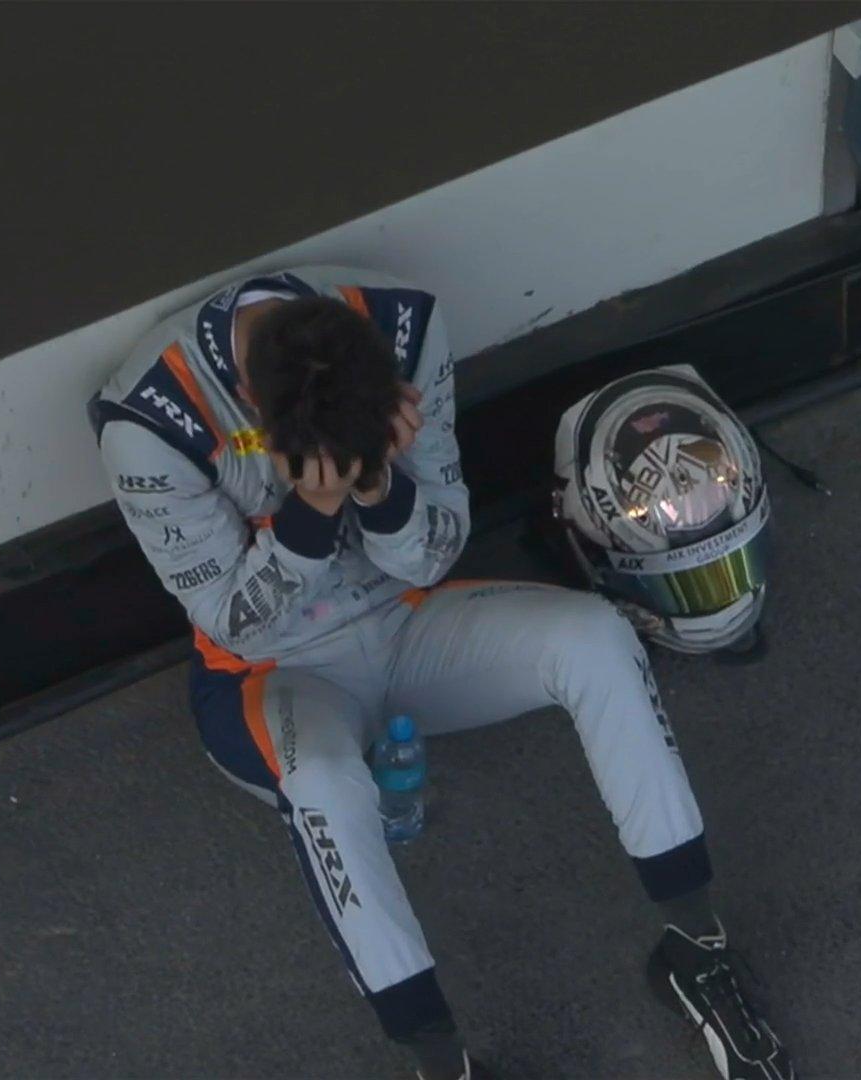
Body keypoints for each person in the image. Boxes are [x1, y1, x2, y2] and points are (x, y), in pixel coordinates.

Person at [89, 266, 792, 1080]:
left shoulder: (401, 326)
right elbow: (236, 622)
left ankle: (696, 946)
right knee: (324, 782)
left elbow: (433, 551)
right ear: (250, 410)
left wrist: (380, 487)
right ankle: (441, 1064)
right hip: (273, 673)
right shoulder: (148, 419)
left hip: (409, 619)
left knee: (596, 637)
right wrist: (310, 512)